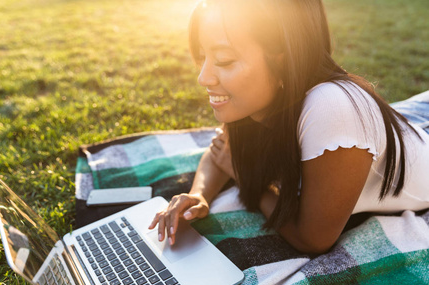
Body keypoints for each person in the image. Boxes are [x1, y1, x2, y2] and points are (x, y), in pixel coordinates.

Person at [149, 0, 429, 254]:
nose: (203, 77)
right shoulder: (257, 103)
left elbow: (313, 239)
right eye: (202, 57)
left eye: (224, 60)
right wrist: (199, 195)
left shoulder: (332, 108)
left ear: (282, 56)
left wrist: (250, 183)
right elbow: (220, 153)